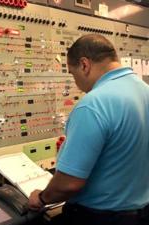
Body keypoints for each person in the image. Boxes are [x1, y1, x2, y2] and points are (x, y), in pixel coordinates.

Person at [28, 34, 149, 225]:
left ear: (84, 65)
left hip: (100, 218)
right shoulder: (144, 90)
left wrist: (41, 198)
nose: (75, 82)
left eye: (72, 73)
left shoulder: (93, 104)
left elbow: (69, 184)